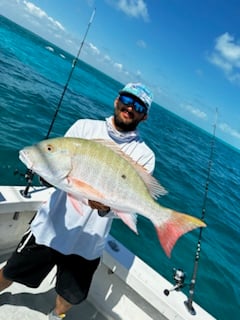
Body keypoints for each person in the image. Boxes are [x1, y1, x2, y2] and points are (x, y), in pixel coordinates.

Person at [0, 82, 155, 319]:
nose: (129, 108)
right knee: (10, 272)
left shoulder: (145, 155)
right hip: (50, 227)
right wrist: (46, 174)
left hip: (88, 243)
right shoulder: (84, 128)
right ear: (117, 101)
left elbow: (128, 201)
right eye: (126, 100)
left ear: (144, 116)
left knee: (70, 296)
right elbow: (58, 172)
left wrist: (107, 209)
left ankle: (55, 316)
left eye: (138, 106)